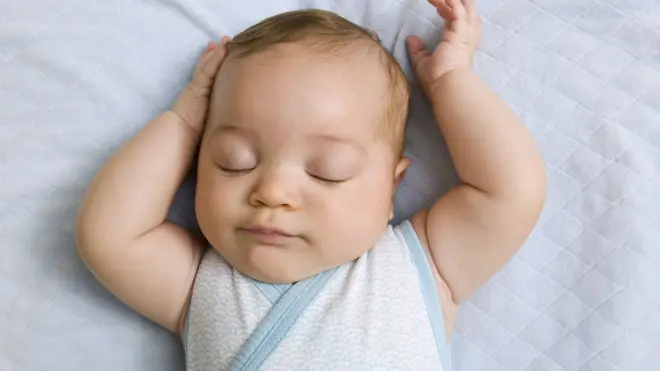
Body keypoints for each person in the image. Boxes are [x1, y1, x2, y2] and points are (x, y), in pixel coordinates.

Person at [75, 0, 546, 369]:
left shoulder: (421, 266)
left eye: (327, 170)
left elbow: (508, 191)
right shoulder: (199, 284)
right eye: (232, 162)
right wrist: (185, 116)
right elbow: (111, 235)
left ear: (391, 188)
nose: (272, 192)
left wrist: (451, 83)